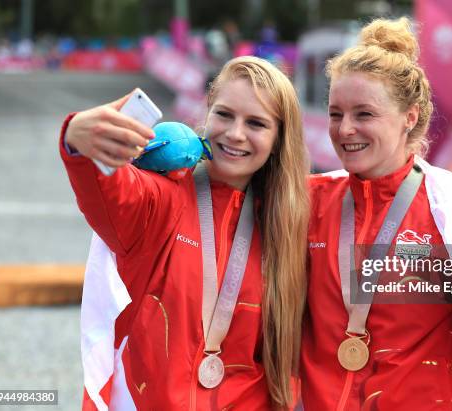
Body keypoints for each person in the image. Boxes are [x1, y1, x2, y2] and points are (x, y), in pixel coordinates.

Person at [300, 18, 452, 410]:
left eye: (364, 114)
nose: (344, 129)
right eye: (335, 113)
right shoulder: (309, 199)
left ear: (410, 116)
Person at [60, 56, 309, 410]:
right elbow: (110, 189)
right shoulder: (164, 197)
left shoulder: (288, 222)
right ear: (207, 114)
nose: (235, 133)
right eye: (224, 114)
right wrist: (80, 142)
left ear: (278, 139)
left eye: (256, 123)